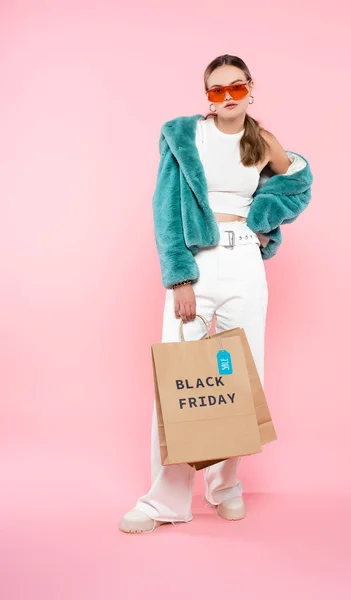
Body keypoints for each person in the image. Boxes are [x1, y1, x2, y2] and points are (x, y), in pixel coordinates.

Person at [119, 54, 313, 534]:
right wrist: (180, 277)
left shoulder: (262, 140)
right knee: (180, 380)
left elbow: (296, 186)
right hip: (198, 264)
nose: (227, 97)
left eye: (236, 87)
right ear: (207, 95)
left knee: (241, 379)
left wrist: (263, 223)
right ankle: (166, 499)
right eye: (216, 89)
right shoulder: (187, 136)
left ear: (250, 88)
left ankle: (225, 486)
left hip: (245, 262)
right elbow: (166, 208)